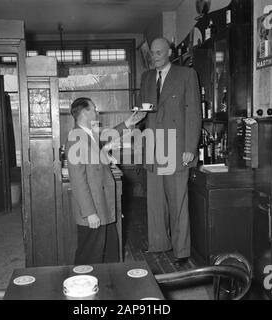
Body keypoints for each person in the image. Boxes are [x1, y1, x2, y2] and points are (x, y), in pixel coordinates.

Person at [139, 37, 202, 266]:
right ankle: (158, 243)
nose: (154, 57)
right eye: (152, 54)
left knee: (178, 203)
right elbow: (142, 115)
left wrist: (189, 148)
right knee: (155, 203)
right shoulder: (146, 78)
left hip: (176, 149)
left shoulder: (186, 75)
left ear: (169, 52)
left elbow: (194, 113)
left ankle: (181, 251)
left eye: (158, 52)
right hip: (153, 148)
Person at [66, 97, 146, 265]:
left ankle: (110, 286)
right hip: (94, 209)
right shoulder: (76, 138)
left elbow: (104, 143)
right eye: (94, 109)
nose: (97, 112)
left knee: (109, 252)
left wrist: (128, 122)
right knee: (90, 255)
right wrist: (90, 213)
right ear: (85, 112)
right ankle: (81, 287)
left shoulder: (88, 134)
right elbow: (78, 181)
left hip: (103, 205)